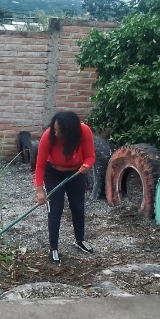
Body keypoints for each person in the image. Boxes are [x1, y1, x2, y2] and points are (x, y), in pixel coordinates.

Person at [33, 111, 96, 264]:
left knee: (78, 207)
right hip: (53, 174)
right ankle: (53, 248)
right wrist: (40, 191)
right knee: (55, 209)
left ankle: (79, 240)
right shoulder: (49, 136)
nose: (55, 133)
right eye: (54, 129)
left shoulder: (84, 131)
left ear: (70, 132)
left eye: (59, 131)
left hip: (76, 174)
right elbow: (40, 165)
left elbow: (90, 156)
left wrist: (86, 165)